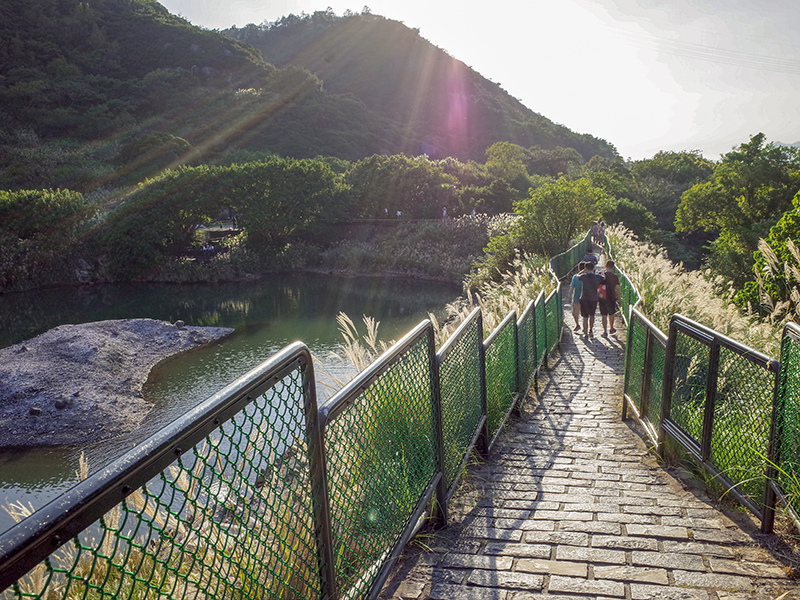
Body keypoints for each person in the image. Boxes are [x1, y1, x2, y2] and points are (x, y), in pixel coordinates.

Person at [578, 262, 604, 337]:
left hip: (584, 298)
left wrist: (583, 271)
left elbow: (577, 276)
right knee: (592, 315)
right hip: (593, 299)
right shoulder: (597, 277)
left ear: (586, 268)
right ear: (593, 268)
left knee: (585, 317)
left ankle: (585, 333)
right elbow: (604, 277)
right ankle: (591, 330)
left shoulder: (583, 276)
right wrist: (601, 273)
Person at [599, 259, 620, 337]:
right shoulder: (615, 277)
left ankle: (604, 331)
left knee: (603, 315)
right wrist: (619, 298)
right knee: (611, 313)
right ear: (613, 267)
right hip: (611, 297)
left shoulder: (601, 275)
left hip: (602, 297)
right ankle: (611, 328)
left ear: (605, 266)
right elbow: (617, 288)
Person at [569, 262, 585, 332]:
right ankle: (585, 328)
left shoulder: (575, 277)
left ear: (578, 269)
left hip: (576, 297)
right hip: (586, 297)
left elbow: (571, 288)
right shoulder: (588, 277)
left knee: (575, 313)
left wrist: (569, 296)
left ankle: (577, 324)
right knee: (585, 314)